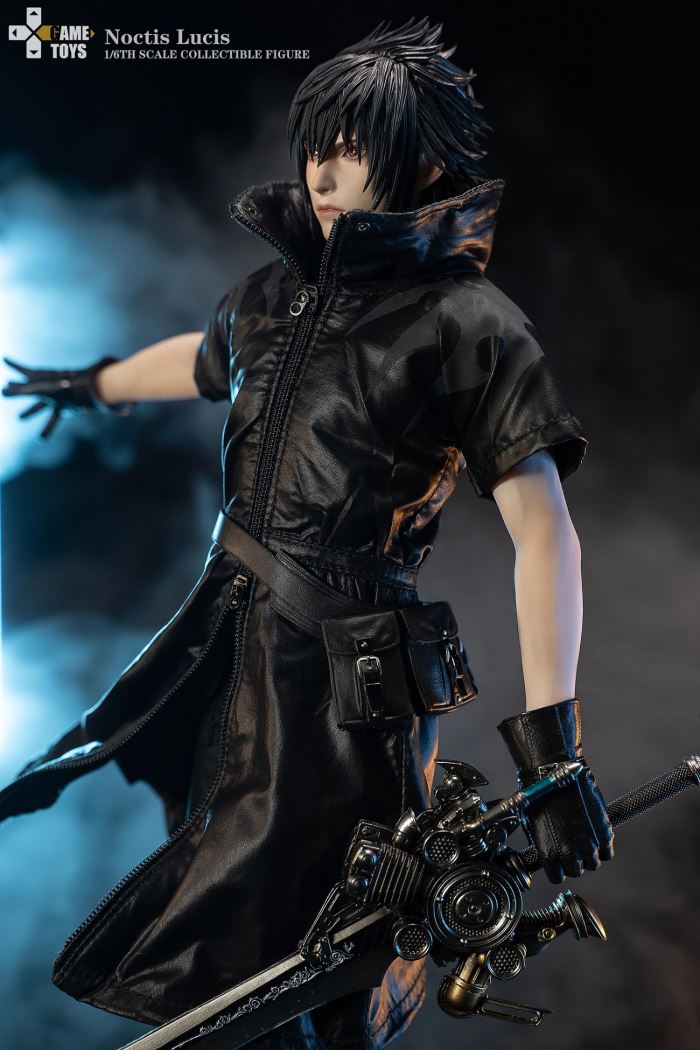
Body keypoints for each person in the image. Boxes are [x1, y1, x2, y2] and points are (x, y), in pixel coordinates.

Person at [0, 16, 613, 1050]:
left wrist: (554, 753)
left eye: (352, 147)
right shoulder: (269, 298)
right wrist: (95, 384)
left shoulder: (467, 323)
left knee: (315, 963)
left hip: (346, 692)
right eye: (315, 146)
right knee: (222, 944)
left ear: (418, 157)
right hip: (232, 648)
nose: (322, 174)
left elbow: (544, 531)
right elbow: (204, 359)